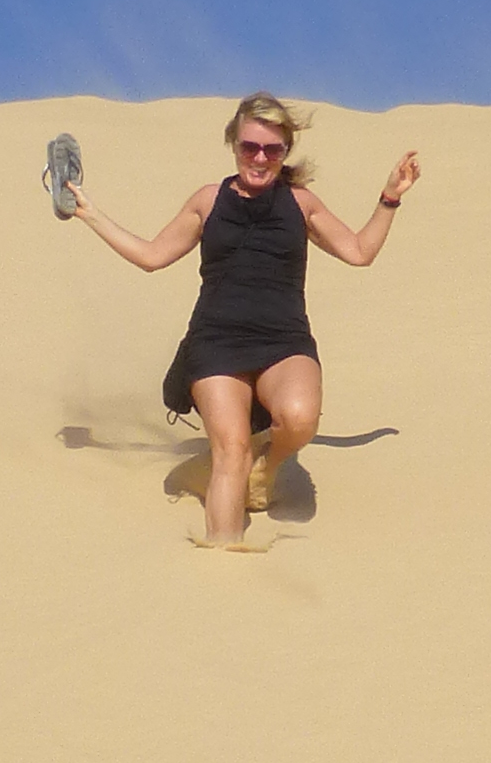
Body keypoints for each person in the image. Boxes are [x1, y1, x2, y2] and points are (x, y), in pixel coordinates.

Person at [61, 95, 421, 545]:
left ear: (286, 152)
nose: (260, 158)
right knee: (230, 448)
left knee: (299, 418)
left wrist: (390, 198)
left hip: (284, 341)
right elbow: (152, 256)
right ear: (234, 144)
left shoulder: (301, 202)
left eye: (273, 150)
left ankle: (263, 473)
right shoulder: (208, 201)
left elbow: (359, 252)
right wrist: (89, 213)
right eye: (250, 146)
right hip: (215, 344)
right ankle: (223, 557)